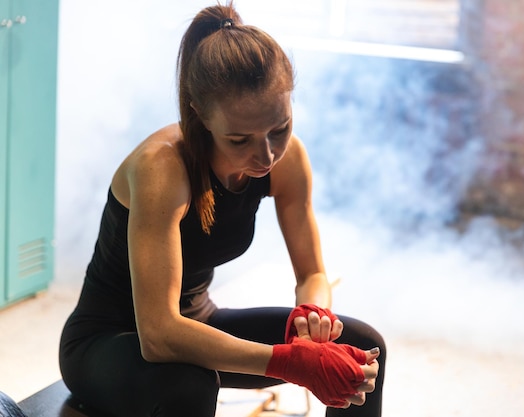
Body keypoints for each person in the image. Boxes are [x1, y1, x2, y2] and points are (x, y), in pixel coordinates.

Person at [59, 2, 386, 416]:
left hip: (199, 321)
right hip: (108, 341)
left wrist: (314, 314)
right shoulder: (161, 169)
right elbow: (158, 335)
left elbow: (313, 274)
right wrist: (290, 361)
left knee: (359, 352)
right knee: (189, 385)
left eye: (279, 129)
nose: (266, 154)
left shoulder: (288, 161)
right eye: (239, 140)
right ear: (201, 115)